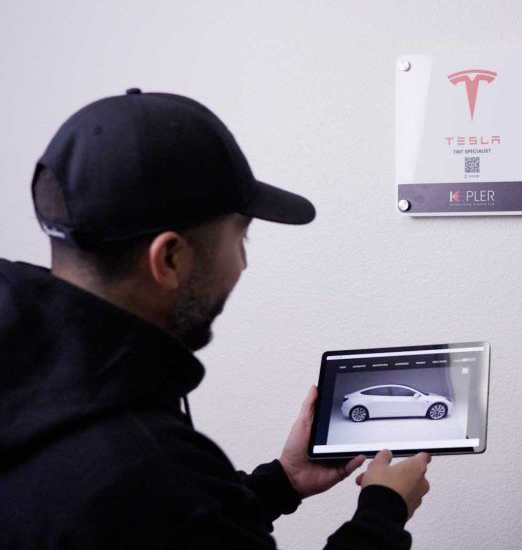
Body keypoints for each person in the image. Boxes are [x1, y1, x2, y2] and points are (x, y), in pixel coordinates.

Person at [0, 89, 431, 549]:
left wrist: (280, 482)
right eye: (241, 238)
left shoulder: (33, 388)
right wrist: (383, 511)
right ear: (169, 258)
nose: (243, 262)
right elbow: (159, 508)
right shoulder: (149, 468)